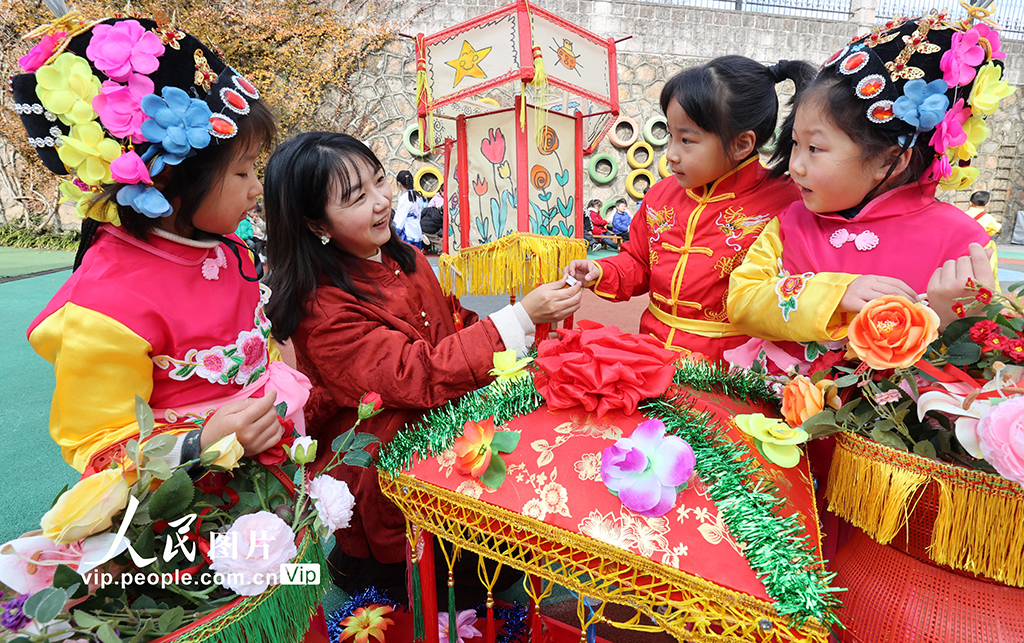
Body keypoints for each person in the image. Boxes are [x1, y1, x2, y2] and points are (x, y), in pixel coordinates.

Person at [262, 132, 583, 603]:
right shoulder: (322, 307)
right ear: (315, 224)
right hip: (384, 466)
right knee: (421, 586)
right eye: (357, 198)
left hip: (443, 436)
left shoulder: (404, 255)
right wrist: (518, 319)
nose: (381, 202)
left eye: (379, 181)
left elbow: (451, 323)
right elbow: (415, 374)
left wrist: (525, 339)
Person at [16, 17, 310, 475]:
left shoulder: (222, 243)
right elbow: (99, 450)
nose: (256, 188)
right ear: (170, 176)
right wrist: (201, 443)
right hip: (197, 509)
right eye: (242, 171)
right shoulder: (107, 306)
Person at [726, 17, 1001, 349]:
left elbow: (989, 357)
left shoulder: (962, 244)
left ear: (890, 160)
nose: (795, 166)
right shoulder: (791, 223)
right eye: (795, 143)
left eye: (814, 149)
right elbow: (742, 302)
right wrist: (833, 294)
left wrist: (951, 320)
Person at [564, 56, 813, 360]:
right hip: (652, 355)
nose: (671, 154)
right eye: (670, 135)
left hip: (732, 369)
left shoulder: (788, 206)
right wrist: (600, 270)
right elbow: (639, 263)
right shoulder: (660, 195)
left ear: (741, 145)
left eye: (686, 140)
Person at [393, 169, 425, 249]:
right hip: (417, 232)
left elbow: (400, 219)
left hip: (407, 234)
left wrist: (394, 232)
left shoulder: (404, 198)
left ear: (399, 184)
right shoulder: (417, 197)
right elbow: (418, 216)